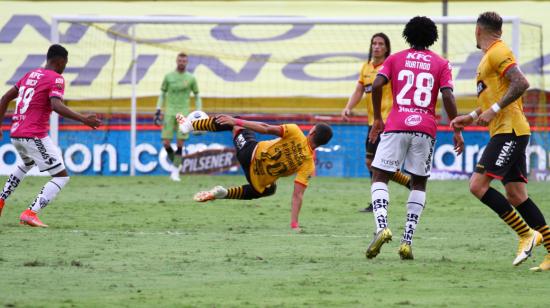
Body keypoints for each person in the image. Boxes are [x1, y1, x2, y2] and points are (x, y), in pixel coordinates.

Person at [451, 12, 549, 271]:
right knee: (516, 195)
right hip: (507, 130)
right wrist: (470, 116)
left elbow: (521, 83)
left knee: (477, 185)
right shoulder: (489, 58)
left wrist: (494, 109)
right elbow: (492, 98)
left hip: (510, 131)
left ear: (477, 30)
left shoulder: (497, 52)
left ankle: (526, 235)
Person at [366, 16, 464, 260]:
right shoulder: (441, 63)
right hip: (425, 128)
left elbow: (376, 85)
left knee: (380, 175)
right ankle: (407, 241)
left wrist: (378, 118)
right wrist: (457, 128)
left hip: (397, 124)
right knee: (419, 182)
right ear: (433, 37)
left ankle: (381, 227)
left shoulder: (395, 58)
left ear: (407, 35)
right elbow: (448, 97)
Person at [176, 113, 333, 231]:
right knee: (269, 189)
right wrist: (294, 224)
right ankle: (225, 194)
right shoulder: (308, 165)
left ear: (311, 132)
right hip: (257, 179)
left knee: (234, 122)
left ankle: (190, 125)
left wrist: (236, 121)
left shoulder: (295, 131)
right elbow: (297, 195)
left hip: (249, 153)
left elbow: (265, 128)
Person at [0, 44, 101, 227]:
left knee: (27, 163)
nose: (65, 67)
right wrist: (84, 119)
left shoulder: (29, 75)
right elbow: (56, 106)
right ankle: (30, 212)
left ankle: (1, 200)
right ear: (60, 61)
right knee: (61, 177)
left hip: (15, 133)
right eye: (65, 63)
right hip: (34, 135)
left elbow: (4, 99)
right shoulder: (56, 78)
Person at [341, 33, 411, 213]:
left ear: (387, 48)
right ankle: (408, 183)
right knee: (371, 162)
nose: (377, 46)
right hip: (373, 122)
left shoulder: (391, 66)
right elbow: (359, 90)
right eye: (374, 43)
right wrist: (348, 107)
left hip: (388, 122)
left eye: (380, 44)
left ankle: (378, 202)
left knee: (377, 163)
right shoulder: (366, 68)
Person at [154, 52, 202, 181]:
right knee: (166, 143)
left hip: (183, 114)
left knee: (180, 144)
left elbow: (197, 95)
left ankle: (175, 171)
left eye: (184, 61)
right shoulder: (168, 77)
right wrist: (158, 109)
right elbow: (162, 93)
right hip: (169, 113)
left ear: (187, 62)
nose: (182, 63)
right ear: (176, 61)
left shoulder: (191, 78)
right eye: (180, 60)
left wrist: (199, 111)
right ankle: (177, 164)